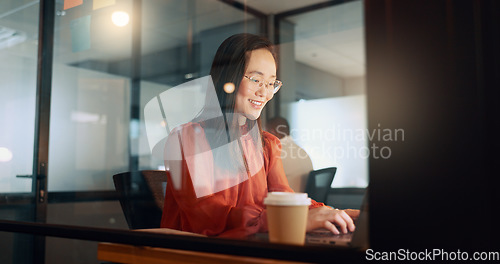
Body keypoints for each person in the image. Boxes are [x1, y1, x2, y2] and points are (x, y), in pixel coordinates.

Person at [160, 33, 359, 238]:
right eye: (256, 79)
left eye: (271, 83)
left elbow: (284, 197)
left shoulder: (267, 144)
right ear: (228, 79)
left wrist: (332, 213)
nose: (265, 92)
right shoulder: (187, 139)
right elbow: (206, 215)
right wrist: (290, 220)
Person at [266, 117, 313, 193]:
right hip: (303, 201)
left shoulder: (276, 153)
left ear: (272, 132)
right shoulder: (302, 151)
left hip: (287, 201)